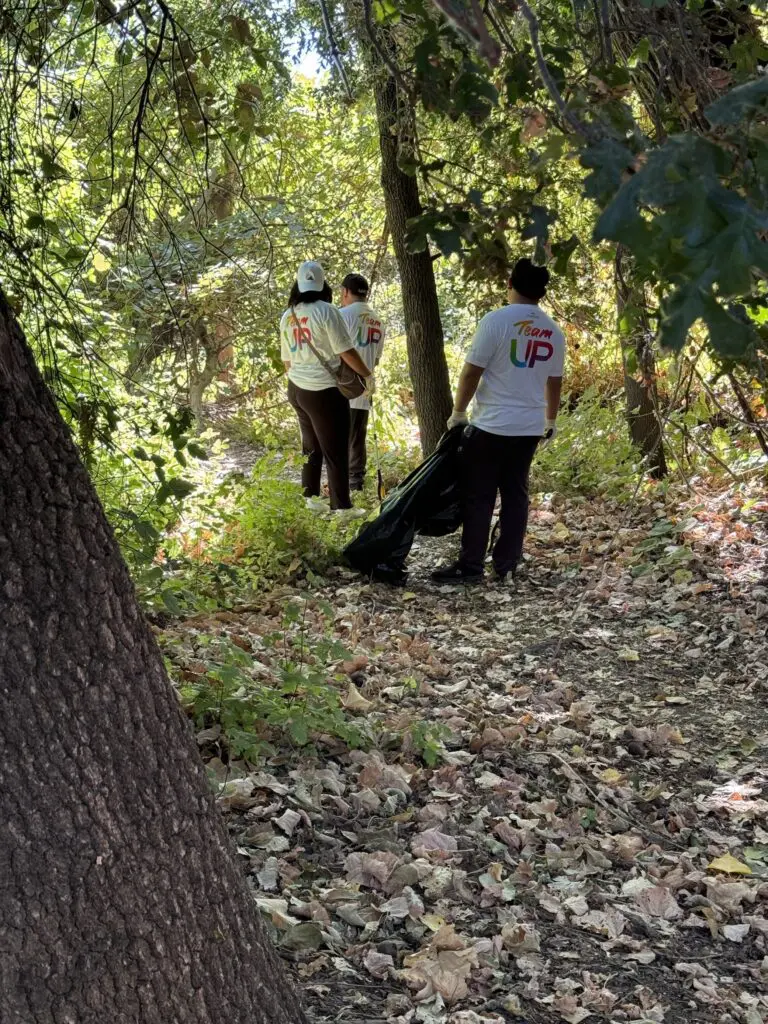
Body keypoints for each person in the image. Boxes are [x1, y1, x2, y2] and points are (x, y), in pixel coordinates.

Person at [432, 258, 565, 583]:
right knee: (516, 495)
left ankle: (471, 566)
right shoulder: (553, 331)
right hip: (529, 427)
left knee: (480, 495)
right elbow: (555, 380)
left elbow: (471, 371)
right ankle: (506, 564)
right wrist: (550, 419)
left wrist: (459, 413)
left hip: (491, 424)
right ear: (540, 292)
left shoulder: (495, 322)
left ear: (510, 284)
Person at [280, 261, 373, 511]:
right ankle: (341, 507)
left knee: (310, 446)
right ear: (323, 285)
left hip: (296, 389)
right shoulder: (327, 311)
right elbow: (346, 352)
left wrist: (302, 376)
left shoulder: (288, 315)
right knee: (336, 450)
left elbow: (286, 361)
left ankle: (310, 498)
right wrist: (368, 375)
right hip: (323, 392)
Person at [338, 273, 386, 491]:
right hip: (364, 385)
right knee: (357, 436)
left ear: (346, 292)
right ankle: (355, 483)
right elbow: (375, 359)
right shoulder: (378, 321)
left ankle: (339, 485)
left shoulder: (340, 316)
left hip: (340, 385)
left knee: (337, 436)